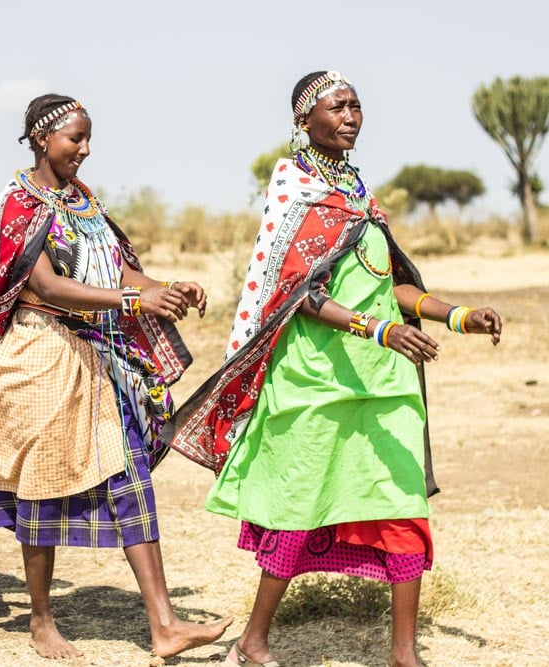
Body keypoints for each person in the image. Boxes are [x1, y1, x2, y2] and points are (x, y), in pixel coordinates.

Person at [166, 71, 503, 667]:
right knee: (301, 509)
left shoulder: (358, 195)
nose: (350, 115)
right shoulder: (296, 191)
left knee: (403, 505)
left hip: (384, 384)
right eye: (336, 106)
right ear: (304, 121)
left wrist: (459, 317)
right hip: (316, 382)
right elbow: (301, 296)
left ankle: (404, 654)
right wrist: (380, 331)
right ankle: (254, 639)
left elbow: (387, 286)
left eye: (356, 105)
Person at [0, 94, 233, 660]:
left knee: (132, 477)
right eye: (73, 140)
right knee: (40, 487)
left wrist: (165, 285)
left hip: (97, 361)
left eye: (88, 140)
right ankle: (40, 619)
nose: (84, 150)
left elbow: (121, 268)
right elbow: (46, 287)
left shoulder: (82, 201)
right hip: (41, 353)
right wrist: (137, 298)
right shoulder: (18, 202)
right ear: (41, 139)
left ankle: (164, 624)